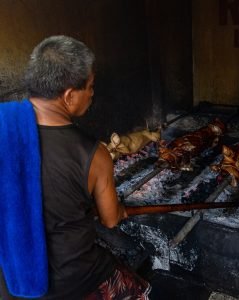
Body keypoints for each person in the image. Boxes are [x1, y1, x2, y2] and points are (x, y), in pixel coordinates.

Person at [1, 35, 151, 299]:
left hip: (10, 274)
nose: (92, 94)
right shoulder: (95, 154)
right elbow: (110, 219)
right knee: (140, 291)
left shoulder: (5, 127)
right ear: (69, 95)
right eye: (91, 87)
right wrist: (120, 210)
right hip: (74, 279)